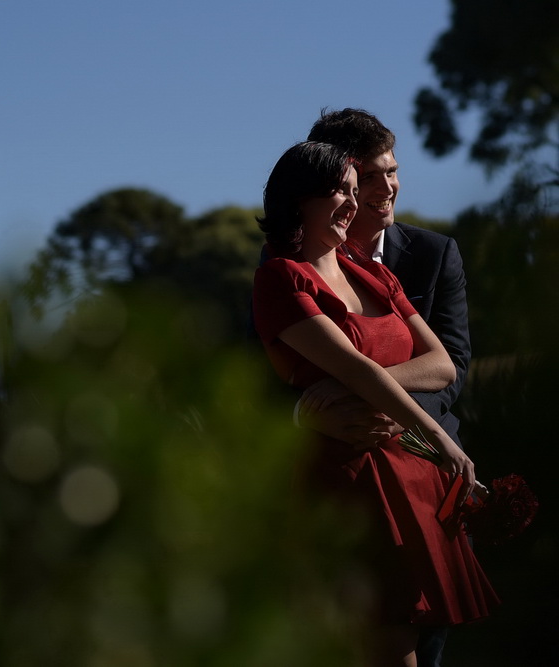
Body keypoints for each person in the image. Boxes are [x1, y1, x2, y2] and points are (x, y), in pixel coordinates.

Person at [252, 141, 497, 667]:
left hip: (417, 487)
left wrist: (359, 387)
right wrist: (440, 439)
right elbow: (352, 366)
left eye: (351, 188)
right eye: (339, 190)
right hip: (354, 485)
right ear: (299, 200)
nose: (352, 200)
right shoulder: (281, 276)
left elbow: (442, 363)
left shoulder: (373, 273)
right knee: (387, 650)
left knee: (421, 650)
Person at [302, 108, 471, 667]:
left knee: (429, 646)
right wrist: (307, 412)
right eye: (367, 176)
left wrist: (370, 393)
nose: (385, 188)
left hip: (430, 481)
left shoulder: (433, 255)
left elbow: (453, 366)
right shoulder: (288, 269)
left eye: (391, 171)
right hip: (342, 491)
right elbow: (271, 374)